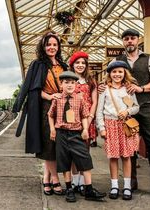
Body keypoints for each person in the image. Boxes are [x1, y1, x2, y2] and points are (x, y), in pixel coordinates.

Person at [98, 29, 150, 200]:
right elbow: (108, 80)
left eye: (132, 38)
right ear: (123, 42)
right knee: (129, 147)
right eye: (126, 39)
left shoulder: (149, 59)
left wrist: (142, 88)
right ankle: (130, 181)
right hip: (124, 112)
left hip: (146, 107)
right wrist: (102, 87)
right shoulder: (117, 60)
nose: (129, 41)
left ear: (138, 40)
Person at [12, 31, 68, 196]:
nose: (52, 47)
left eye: (54, 45)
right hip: (45, 108)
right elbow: (34, 89)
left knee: (58, 145)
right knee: (49, 145)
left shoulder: (63, 66)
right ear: (43, 47)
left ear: (58, 47)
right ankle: (55, 180)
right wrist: (51, 96)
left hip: (63, 109)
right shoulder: (37, 64)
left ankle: (46, 178)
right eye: (48, 45)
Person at [48, 71, 106, 202]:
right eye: (66, 82)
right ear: (61, 84)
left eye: (72, 83)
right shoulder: (57, 99)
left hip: (76, 133)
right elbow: (50, 115)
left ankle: (89, 189)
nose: (69, 85)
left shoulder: (80, 98)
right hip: (61, 134)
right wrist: (52, 129)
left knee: (85, 160)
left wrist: (85, 129)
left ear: (76, 84)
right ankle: (69, 189)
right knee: (64, 162)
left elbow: (84, 115)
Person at [96, 61, 140, 200]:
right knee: (113, 157)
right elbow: (99, 111)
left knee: (126, 156)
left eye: (120, 72)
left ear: (124, 73)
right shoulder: (105, 90)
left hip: (125, 125)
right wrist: (101, 128)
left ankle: (127, 186)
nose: (117, 74)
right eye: (114, 72)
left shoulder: (128, 89)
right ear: (109, 74)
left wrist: (127, 111)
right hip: (110, 125)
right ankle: (114, 185)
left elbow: (136, 107)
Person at [68, 51, 98, 195]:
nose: (80, 65)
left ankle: (82, 181)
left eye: (83, 63)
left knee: (84, 153)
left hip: (88, 122)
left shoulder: (91, 81)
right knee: (73, 153)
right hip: (72, 122)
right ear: (72, 64)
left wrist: (90, 117)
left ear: (86, 65)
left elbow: (94, 101)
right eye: (77, 63)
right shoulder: (69, 79)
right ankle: (75, 182)